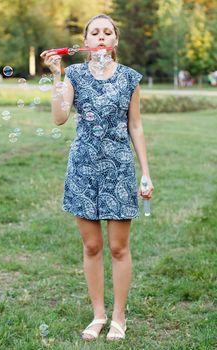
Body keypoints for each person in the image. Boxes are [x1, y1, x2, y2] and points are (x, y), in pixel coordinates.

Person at [40, 13, 154, 342]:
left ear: (115, 42)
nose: (101, 37)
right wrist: (56, 75)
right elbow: (60, 118)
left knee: (118, 248)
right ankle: (98, 315)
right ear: (86, 42)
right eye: (95, 32)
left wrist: (145, 172)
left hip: (118, 169)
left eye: (107, 32)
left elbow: (136, 126)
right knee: (92, 247)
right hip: (82, 169)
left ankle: (119, 318)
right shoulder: (73, 73)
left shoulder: (131, 78)